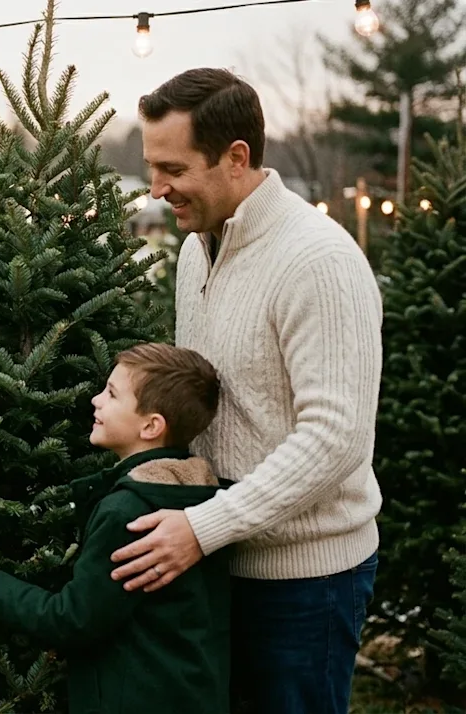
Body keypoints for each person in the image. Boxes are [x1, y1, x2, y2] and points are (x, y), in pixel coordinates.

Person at [109, 68, 383, 714]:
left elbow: (335, 438)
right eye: (151, 167)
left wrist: (203, 528)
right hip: (216, 566)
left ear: (236, 158)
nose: (156, 190)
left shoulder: (319, 261)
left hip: (304, 583)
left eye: (172, 168)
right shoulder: (192, 253)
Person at [0, 343, 230, 714]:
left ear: (151, 426)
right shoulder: (202, 497)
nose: (96, 400)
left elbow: (74, 619)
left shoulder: (129, 510)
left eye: (111, 394)